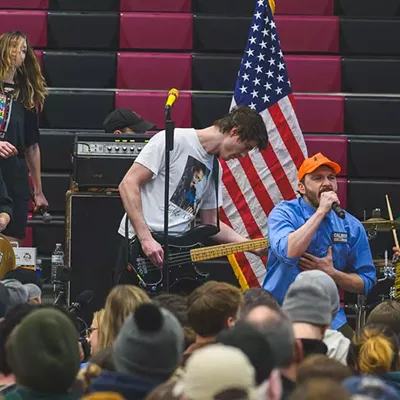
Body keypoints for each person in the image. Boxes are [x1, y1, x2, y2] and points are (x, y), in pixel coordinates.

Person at [115, 105, 268, 286]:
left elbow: (211, 225)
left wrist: (250, 245)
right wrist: (146, 238)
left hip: (176, 256)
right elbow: (128, 183)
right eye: (246, 147)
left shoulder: (214, 168)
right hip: (139, 248)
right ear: (235, 132)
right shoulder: (173, 140)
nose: (243, 156)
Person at [263, 152, 376, 338]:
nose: (327, 183)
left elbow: (366, 282)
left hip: (329, 317)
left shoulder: (351, 225)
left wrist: (333, 274)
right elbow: (289, 252)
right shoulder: (283, 213)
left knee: (356, 354)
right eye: (317, 178)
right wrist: (321, 212)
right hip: (280, 313)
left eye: (331, 178)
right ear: (301, 187)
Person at [0, 31, 48, 246]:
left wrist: (38, 191)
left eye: (23, 50)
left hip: (14, 171)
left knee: (10, 238)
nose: (18, 53)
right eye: (14, 47)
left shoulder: (25, 95)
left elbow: (32, 146)